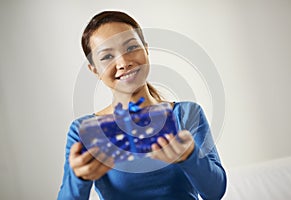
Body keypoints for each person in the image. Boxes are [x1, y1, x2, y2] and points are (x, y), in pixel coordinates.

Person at [58, 11, 226, 200]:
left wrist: (190, 156)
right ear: (94, 70)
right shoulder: (83, 131)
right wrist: (79, 178)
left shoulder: (187, 114)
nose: (123, 63)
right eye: (106, 57)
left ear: (146, 49)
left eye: (131, 47)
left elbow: (215, 192)